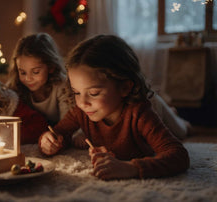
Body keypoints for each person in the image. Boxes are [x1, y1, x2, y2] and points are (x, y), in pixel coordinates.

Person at [39, 35, 190, 180]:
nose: (83, 102)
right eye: (76, 92)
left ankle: (175, 115)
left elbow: (179, 156)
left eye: (94, 93)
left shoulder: (140, 113)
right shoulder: (81, 111)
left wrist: (131, 168)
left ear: (124, 87)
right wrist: (48, 142)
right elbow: (59, 134)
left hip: (155, 104)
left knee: (181, 130)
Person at [6, 33, 73, 126]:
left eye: (36, 72)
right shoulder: (15, 89)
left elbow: (69, 122)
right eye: (23, 72)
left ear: (51, 67)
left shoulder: (62, 86)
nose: (28, 78)